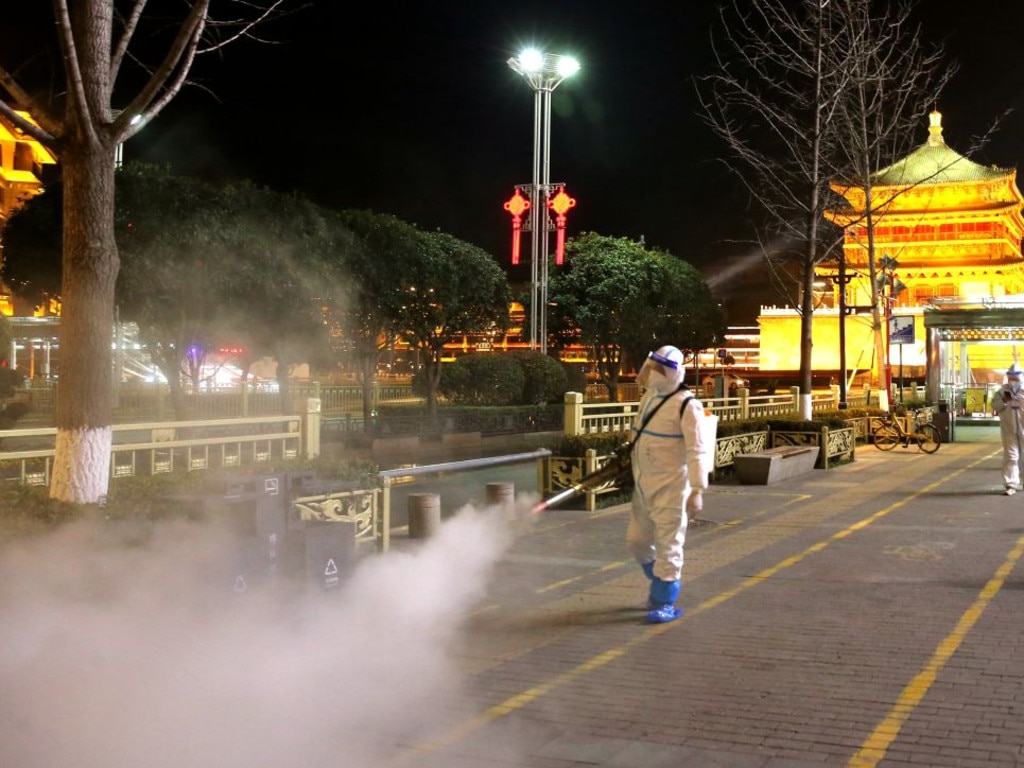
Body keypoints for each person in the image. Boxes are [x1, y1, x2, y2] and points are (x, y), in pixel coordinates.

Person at [627, 345, 713, 623]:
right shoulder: (649, 398)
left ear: (674, 372)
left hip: (672, 489)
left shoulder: (688, 405)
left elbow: (697, 450)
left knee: (669, 545)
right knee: (637, 541)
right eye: (652, 367)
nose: (654, 374)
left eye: (661, 369)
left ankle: (664, 598)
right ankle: (659, 582)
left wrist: (697, 491)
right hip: (643, 486)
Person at [994, 361, 1024, 496]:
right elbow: (995, 405)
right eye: (1011, 377)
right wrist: (1005, 401)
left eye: (1016, 378)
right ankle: (1011, 484)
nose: (1013, 380)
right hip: (1009, 428)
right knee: (1011, 456)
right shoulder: (1002, 391)